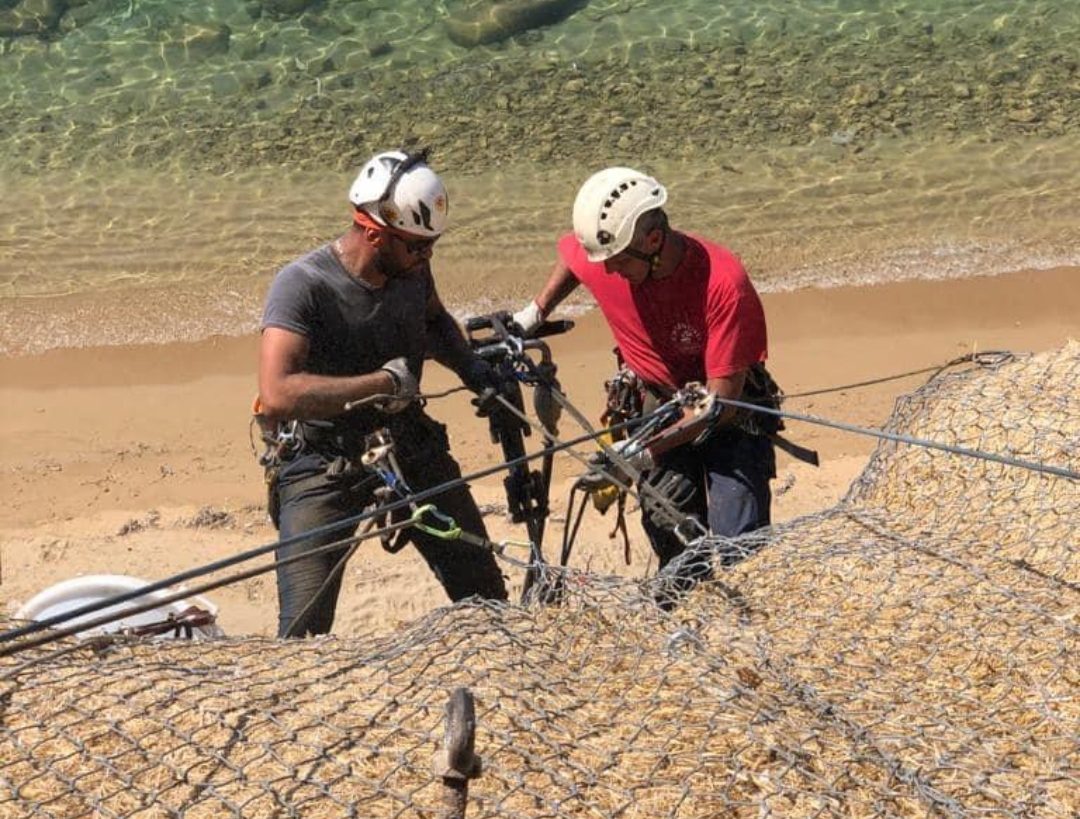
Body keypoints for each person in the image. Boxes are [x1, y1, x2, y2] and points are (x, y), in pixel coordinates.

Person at [258, 149, 508, 638]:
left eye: (432, 245)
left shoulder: (412, 271)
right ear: (374, 232)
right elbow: (277, 394)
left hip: (410, 445)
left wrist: (474, 369)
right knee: (302, 630)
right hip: (324, 459)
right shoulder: (302, 286)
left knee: (487, 599)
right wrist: (384, 384)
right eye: (416, 247)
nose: (426, 257)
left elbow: (433, 320)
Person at [512, 166, 777, 592]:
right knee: (670, 528)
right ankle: (687, 611)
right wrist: (535, 312)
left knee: (739, 544)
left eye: (618, 263)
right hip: (655, 400)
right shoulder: (611, 253)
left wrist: (640, 453)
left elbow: (721, 406)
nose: (610, 273)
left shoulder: (723, 284)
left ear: (653, 240)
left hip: (727, 410)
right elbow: (577, 260)